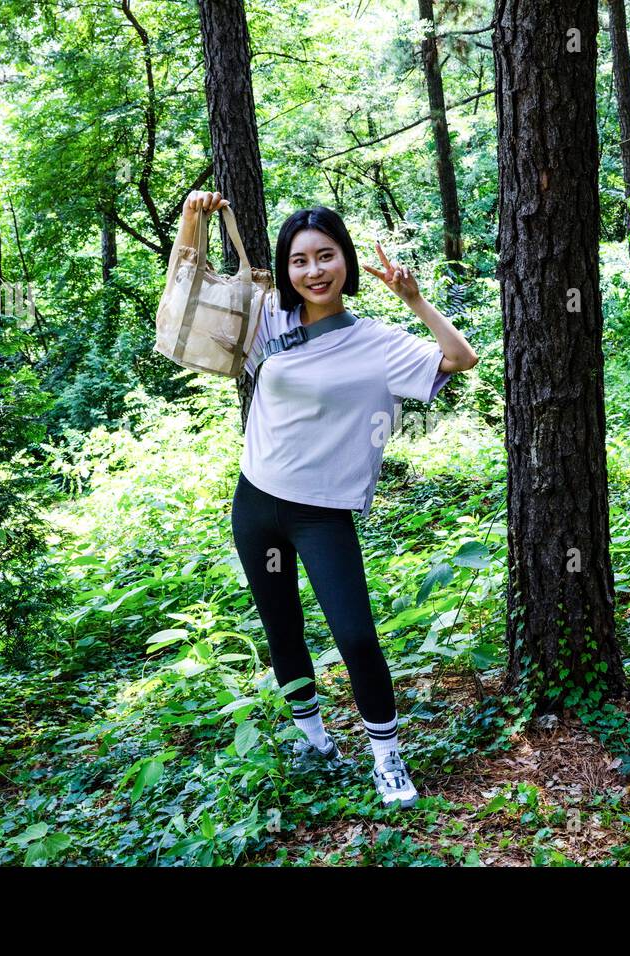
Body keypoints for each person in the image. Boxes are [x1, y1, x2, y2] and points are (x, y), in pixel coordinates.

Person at [175, 191, 478, 809]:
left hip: (323, 515)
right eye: (299, 260)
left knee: (356, 635)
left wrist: (414, 300)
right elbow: (187, 290)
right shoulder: (267, 318)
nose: (313, 270)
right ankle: (314, 740)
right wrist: (191, 217)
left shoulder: (378, 342)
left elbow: (459, 358)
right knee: (282, 628)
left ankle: (387, 757)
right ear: (284, 269)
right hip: (257, 505)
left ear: (346, 261)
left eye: (326, 255)